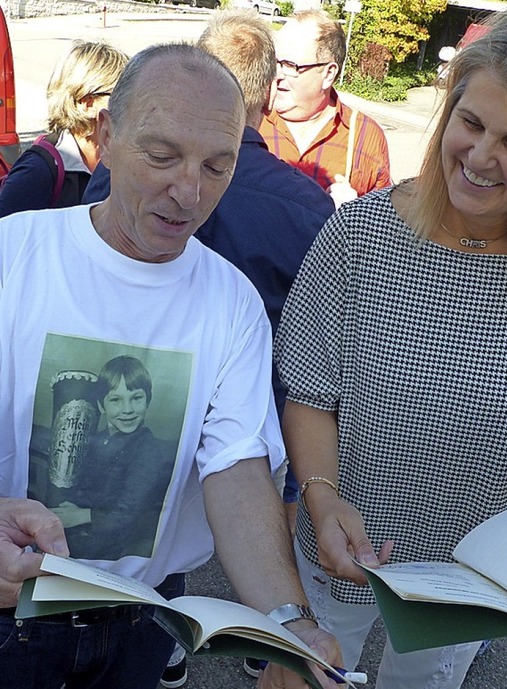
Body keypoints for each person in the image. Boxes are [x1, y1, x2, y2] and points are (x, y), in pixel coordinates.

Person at [274, 4, 507, 689]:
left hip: (471, 575)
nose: (478, 157)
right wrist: (320, 500)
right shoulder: (359, 239)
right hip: (340, 545)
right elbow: (311, 395)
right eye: (470, 123)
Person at [0, 42, 342, 689]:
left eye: (217, 167)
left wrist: (287, 621)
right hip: (10, 613)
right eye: (162, 156)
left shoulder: (231, 299)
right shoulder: (14, 255)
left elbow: (237, 467)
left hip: (142, 619)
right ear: (106, 133)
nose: (188, 191)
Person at [258, 9, 391, 207]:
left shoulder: (365, 137)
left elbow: (384, 223)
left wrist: (355, 214)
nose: (277, 75)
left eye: (290, 65)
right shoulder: (250, 118)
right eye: (274, 62)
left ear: (329, 74)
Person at [50, 356, 176, 561]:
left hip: (110, 548)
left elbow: (128, 513)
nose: (127, 409)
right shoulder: (97, 440)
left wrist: (80, 516)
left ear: (148, 400)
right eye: (115, 399)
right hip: (76, 534)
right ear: (101, 406)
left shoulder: (147, 449)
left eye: (136, 398)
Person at [0, 40, 128, 216]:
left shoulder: (119, 159)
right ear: (87, 103)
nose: (130, 103)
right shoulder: (37, 170)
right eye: (120, 95)